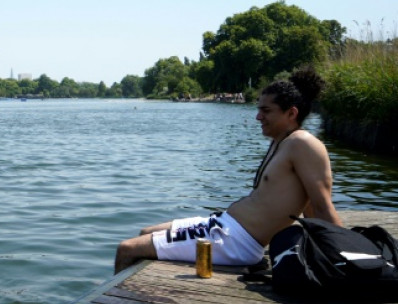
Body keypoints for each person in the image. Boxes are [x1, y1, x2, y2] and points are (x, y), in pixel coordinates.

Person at [114, 68, 342, 274]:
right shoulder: (282, 142)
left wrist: (343, 256)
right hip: (223, 226)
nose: (258, 117)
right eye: (258, 110)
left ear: (291, 114)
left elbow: (321, 206)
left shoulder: (303, 144)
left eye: (266, 111)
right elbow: (309, 206)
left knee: (127, 249)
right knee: (145, 232)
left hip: (236, 242)